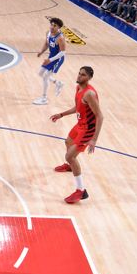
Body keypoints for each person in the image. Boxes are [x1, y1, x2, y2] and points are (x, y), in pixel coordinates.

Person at [50, 66, 103, 204]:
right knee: (67, 142)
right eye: (79, 74)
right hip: (80, 125)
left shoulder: (89, 94)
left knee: (70, 156)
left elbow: (100, 116)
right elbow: (77, 108)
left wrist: (94, 139)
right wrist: (61, 114)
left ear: (89, 78)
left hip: (88, 129)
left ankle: (81, 191)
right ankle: (70, 166)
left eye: (83, 75)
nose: (79, 76)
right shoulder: (78, 88)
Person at [34, 17, 66, 105]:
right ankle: (58, 83)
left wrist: (50, 60)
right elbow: (46, 43)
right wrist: (41, 51)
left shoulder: (60, 38)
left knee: (45, 77)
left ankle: (44, 98)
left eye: (54, 26)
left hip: (58, 58)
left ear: (58, 28)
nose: (52, 27)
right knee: (40, 73)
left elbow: (63, 52)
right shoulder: (48, 33)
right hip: (51, 56)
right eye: (51, 25)